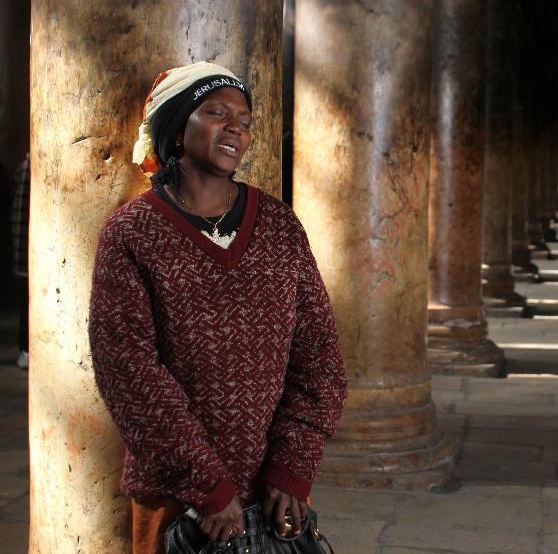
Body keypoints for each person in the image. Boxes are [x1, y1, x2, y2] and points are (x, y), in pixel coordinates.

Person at [88, 61, 347, 553]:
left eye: (245, 121)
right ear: (176, 127)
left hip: (274, 492)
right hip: (175, 495)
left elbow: (321, 358)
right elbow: (128, 372)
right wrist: (206, 486)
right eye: (215, 112)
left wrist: (292, 466)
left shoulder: (278, 225)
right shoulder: (132, 232)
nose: (236, 128)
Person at [11, 152, 29, 369]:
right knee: (27, 302)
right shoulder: (29, 165)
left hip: (24, 248)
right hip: (26, 249)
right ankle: (25, 348)